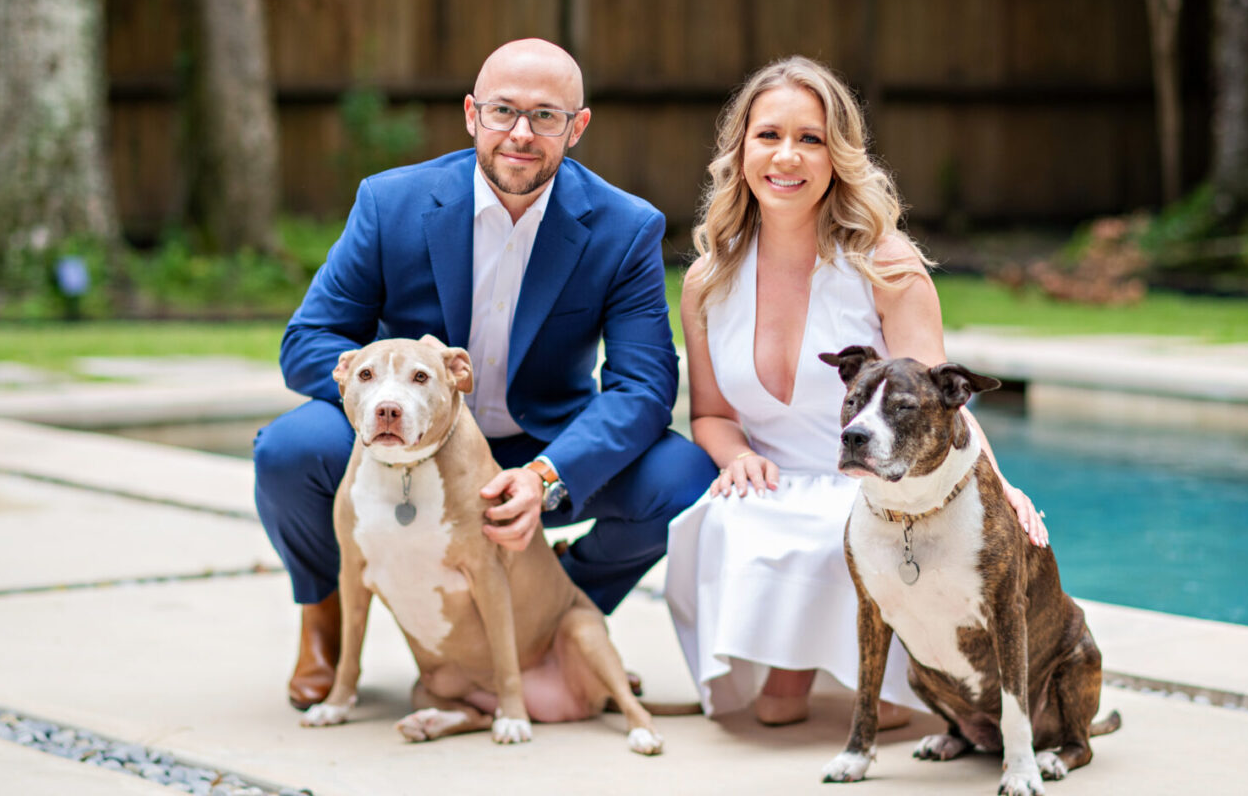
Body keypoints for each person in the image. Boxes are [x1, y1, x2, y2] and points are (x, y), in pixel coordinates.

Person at [256, 37, 718, 711]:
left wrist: (547, 477)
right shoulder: (391, 204)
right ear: (472, 114)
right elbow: (308, 341)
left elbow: (644, 388)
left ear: (577, 127)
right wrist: (387, 391)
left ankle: (562, 610)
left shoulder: (624, 228)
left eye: (546, 116)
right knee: (288, 451)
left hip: (538, 446)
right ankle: (323, 610)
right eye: (503, 111)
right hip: (410, 434)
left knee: (684, 481)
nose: (521, 135)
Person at [664, 56, 1048, 726]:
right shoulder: (707, 279)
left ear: (838, 155)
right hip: (773, 483)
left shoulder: (885, 266)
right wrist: (735, 457)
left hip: (878, 488)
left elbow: (941, 406)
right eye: (768, 136)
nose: (787, 157)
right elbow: (711, 413)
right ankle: (785, 676)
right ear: (740, 149)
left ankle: (877, 689)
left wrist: (1001, 488)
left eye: (810, 138)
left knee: (838, 527)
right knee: (725, 513)